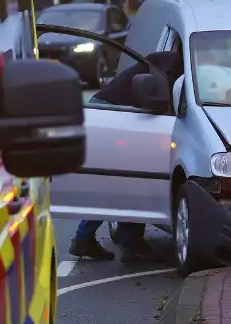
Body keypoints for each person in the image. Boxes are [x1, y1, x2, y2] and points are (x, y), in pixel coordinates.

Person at [69, 37, 185, 262]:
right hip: (113, 113)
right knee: (121, 179)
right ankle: (106, 239)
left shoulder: (168, 61)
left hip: (116, 111)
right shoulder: (173, 66)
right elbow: (163, 102)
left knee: (132, 177)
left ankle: (124, 239)